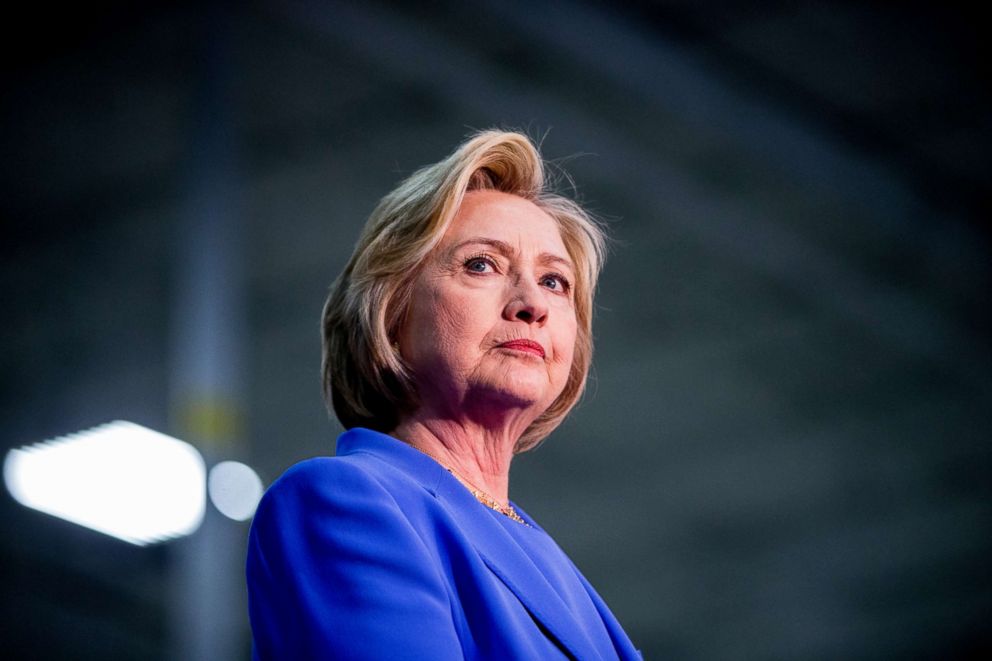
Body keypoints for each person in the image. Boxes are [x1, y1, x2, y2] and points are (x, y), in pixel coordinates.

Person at [246, 130, 641, 660]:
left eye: (554, 282)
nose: (532, 304)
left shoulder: (559, 570)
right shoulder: (342, 499)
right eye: (482, 264)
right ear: (390, 311)